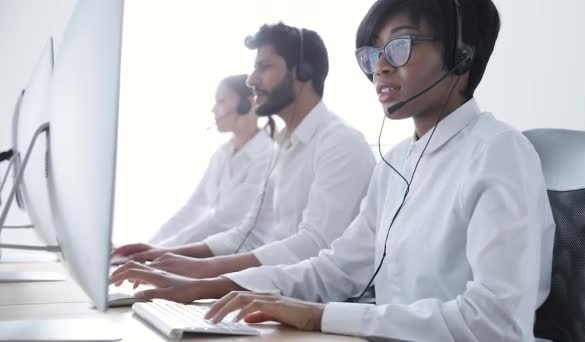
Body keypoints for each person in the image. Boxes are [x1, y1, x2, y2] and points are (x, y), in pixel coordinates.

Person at [113, 0, 557, 340]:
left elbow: (496, 323)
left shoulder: (499, 153)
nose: (379, 65)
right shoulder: (398, 161)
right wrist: (208, 286)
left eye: (399, 46)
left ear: (462, 56)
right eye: (372, 53)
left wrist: (319, 314)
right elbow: (335, 269)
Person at [111, 24, 376, 280]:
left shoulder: (340, 144)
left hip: (322, 305)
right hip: (277, 292)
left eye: (265, 67)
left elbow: (314, 244)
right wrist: (163, 254)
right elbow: (250, 233)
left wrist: (204, 273)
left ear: (302, 72)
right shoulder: (284, 145)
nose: (251, 80)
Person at [119, 74, 276, 248]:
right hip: (208, 254)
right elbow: (193, 208)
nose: (214, 109)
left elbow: (223, 221)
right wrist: (148, 245)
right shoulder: (221, 154)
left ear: (248, 103)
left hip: (237, 258)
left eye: (221, 101)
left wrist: (160, 250)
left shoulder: (267, 156)